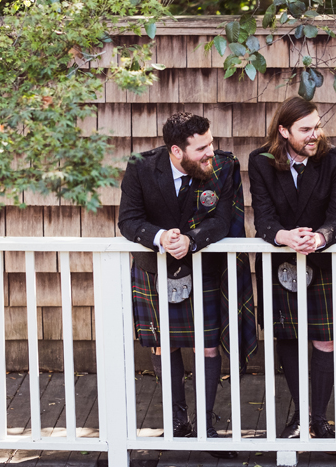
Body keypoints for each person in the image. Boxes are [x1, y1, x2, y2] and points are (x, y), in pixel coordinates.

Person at [118, 112, 256, 459]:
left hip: (204, 268)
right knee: (164, 346)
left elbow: (225, 219)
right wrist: (161, 237)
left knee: (207, 347)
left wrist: (192, 240)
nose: (211, 152)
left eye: (211, 143)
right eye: (201, 149)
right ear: (176, 151)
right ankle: (178, 422)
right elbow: (128, 220)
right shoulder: (142, 167)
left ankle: (205, 427)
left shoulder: (224, 167)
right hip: (155, 269)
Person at [248, 97, 336, 439]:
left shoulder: (334, 160)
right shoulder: (261, 162)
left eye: (317, 127)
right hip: (280, 261)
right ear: (284, 131)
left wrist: (320, 237)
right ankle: (301, 415)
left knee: (326, 340)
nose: (315, 135)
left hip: (321, 262)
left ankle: (320, 418)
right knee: (289, 337)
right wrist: (283, 236)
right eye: (305, 129)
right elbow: (263, 217)